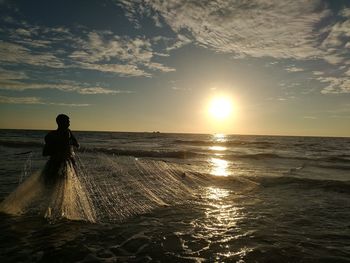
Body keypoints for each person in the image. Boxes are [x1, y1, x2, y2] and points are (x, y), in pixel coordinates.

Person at [42, 114, 79, 185]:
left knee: (50, 184)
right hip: (65, 162)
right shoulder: (67, 132)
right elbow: (77, 145)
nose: (69, 123)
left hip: (53, 162)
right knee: (65, 183)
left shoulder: (50, 134)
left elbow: (45, 153)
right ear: (62, 122)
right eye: (67, 121)